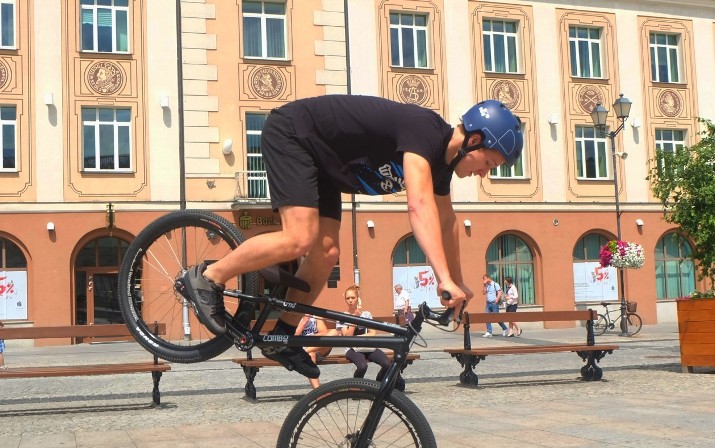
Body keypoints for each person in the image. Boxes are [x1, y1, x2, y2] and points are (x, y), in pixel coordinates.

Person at [178, 95, 522, 380]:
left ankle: (282, 336)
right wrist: (443, 278)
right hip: (294, 134)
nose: (483, 173)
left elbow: (447, 223)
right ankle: (208, 278)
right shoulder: (426, 131)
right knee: (300, 238)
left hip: (326, 165)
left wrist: (458, 284)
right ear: (474, 141)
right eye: (489, 163)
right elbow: (418, 206)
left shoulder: (441, 167)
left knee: (326, 252)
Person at [336, 285, 403, 390]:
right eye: (347, 298)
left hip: (367, 346)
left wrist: (357, 337)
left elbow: (372, 334)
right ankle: (355, 388)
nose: (350, 300)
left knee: (387, 364)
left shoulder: (366, 314)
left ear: (358, 298)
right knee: (362, 366)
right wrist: (355, 319)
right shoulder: (342, 316)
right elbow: (347, 337)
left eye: (352, 298)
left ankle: (377, 386)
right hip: (352, 349)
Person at [295, 314, 337, 389]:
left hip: (317, 348)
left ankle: (305, 351)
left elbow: (324, 332)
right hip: (306, 351)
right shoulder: (294, 317)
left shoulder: (315, 316)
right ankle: (317, 391)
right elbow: (294, 337)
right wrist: (303, 322)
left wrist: (307, 339)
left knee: (334, 332)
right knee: (311, 355)